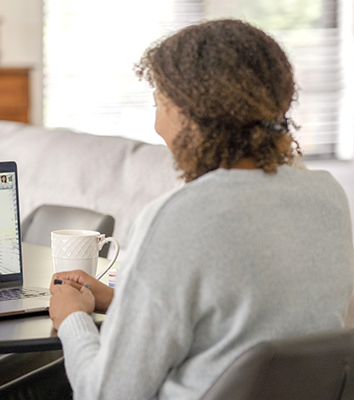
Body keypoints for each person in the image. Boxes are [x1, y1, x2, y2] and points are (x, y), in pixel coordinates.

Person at [49, 19, 354, 399]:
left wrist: (72, 318)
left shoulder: (178, 217)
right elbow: (250, 321)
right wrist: (125, 300)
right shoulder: (329, 199)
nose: (157, 125)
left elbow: (106, 394)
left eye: (160, 104)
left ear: (190, 116)